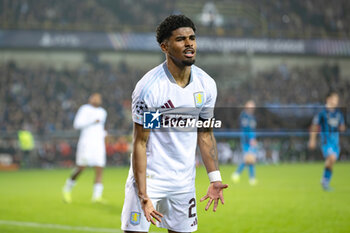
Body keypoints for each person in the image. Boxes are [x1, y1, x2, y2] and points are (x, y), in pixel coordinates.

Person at [121, 15, 228, 233]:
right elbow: (141, 142)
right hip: (151, 179)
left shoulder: (206, 86)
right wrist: (143, 195)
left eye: (192, 38)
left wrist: (214, 178)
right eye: (180, 39)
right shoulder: (150, 89)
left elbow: (205, 134)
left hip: (184, 182)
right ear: (165, 46)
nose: (189, 43)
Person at [62, 93, 108, 203]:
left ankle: (97, 197)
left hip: (98, 143)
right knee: (81, 167)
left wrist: (105, 135)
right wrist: (92, 121)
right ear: (90, 99)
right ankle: (67, 188)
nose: (97, 99)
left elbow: (101, 127)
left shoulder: (103, 112)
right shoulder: (84, 109)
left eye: (99, 98)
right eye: (94, 97)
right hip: (86, 142)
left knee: (99, 168)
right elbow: (77, 124)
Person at [308, 91, 346, 191]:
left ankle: (325, 181)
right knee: (332, 158)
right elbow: (314, 126)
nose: (336, 101)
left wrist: (342, 127)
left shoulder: (339, 114)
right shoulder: (322, 113)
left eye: (337, 99)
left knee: (330, 162)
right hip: (326, 142)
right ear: (328, 99)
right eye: (334, 99)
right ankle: (325, 181)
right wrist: (312, 139)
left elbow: (342, 126)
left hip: (335, 143)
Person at [231, 100, 258, 185]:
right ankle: (246, 176)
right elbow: (246, 130)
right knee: (249, 159)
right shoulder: (244, 116)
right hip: (247, 140)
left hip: (251, 140)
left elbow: (253, 129)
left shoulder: (252, 117)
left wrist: (254, 138)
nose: (252, 108)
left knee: (250, 159)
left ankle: (242, 175)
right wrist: (251, 139)